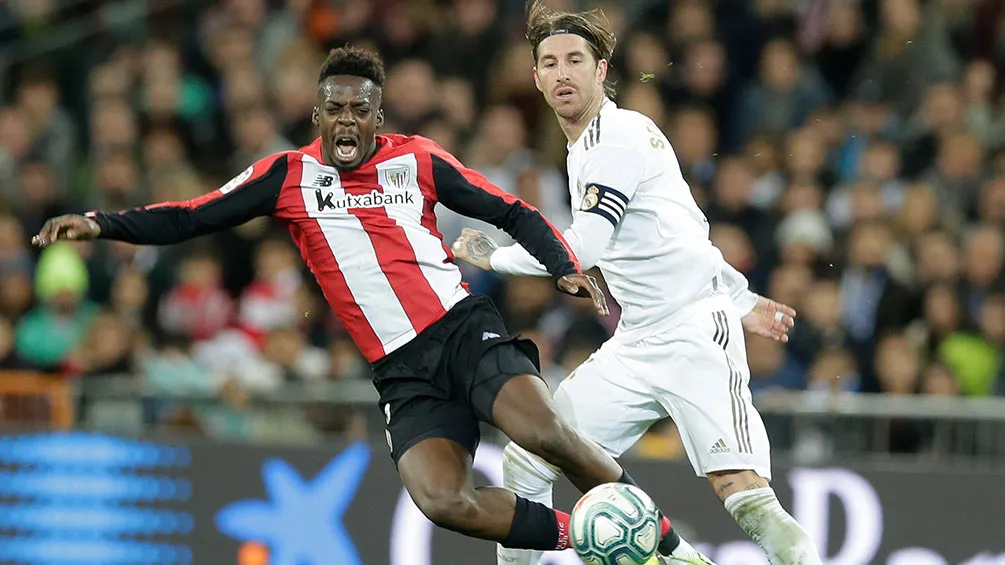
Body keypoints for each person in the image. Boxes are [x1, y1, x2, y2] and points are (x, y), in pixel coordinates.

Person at [33, 46, 692, 560]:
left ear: (378, 115)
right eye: (334, 109)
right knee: (441, 499)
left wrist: (563, 267)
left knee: (542, 432)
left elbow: (512, 211)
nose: (346, 120)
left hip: (462, 331)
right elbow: (189, 217)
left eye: (359, 110)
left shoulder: (419, 160)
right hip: (401, 371)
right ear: (317, 114)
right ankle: (595, 539)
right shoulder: (286, 175)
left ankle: (663, 540)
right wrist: (101, 223)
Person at [451, 4, 824, 565]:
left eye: (575, 60)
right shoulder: (583, 148)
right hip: (636, 342)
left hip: (695, 335)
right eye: (549, 63)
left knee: (745, 496)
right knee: (527, 458)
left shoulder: (618, 138)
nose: (562, 74)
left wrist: (494, 256)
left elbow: (587, 249)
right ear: (535, 77)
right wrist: (742, 295)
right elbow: (678, 230)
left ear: (602, 70)